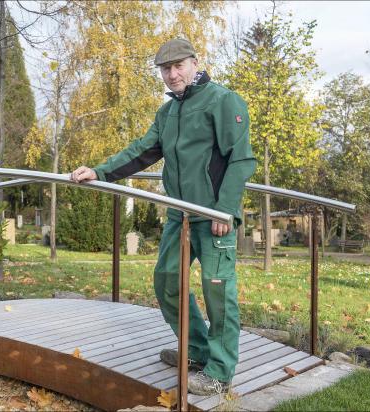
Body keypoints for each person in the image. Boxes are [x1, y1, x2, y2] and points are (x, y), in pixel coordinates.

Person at [70, 37, 256, 395]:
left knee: (217, 290)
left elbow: (241, 158)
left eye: (178, 66)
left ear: (194, 62)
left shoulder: (222, 101)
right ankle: (197, 350)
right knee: (168, 281)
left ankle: (219, 370)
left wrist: (226, 209)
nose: (172, 74)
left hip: (212, 214)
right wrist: (100, 171)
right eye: (165, 69)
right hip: (180, 215)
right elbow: (143, 151)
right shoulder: (167, 112)